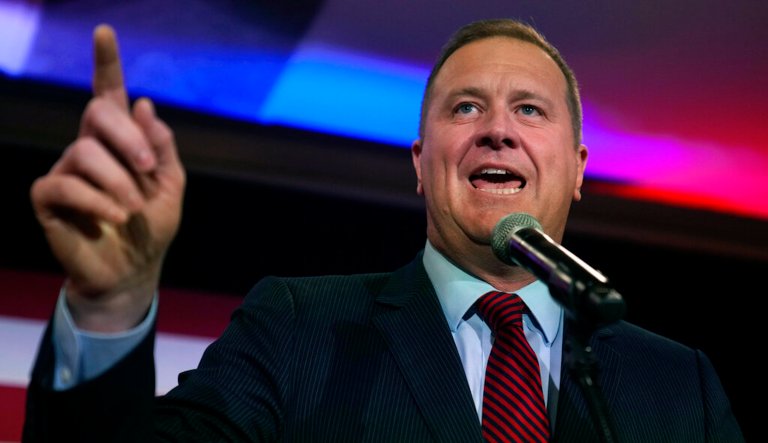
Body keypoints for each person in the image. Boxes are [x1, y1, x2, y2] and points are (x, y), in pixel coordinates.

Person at [23, 19, 743, 442]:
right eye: (465, 108)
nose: (496, 129)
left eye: (530, 110)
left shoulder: (680, 384)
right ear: (421, 165)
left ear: (578, 168)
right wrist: (109, 306)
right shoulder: (300, 328)